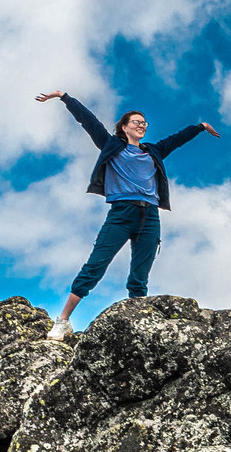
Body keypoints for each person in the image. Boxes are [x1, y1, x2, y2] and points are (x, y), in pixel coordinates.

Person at [35, 90, 220, 339]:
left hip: (150, 216)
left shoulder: (153, 151)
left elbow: (176, 140)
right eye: (136, 122)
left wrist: (199, 127)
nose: (142, 125)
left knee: (139, 275)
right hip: (121, 213)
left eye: (144, 123)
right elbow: (88, 120)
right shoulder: (111, 144)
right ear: (124, 127)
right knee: (95, 266)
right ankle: (63, 320)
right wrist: (64, 97)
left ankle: (138, 323)